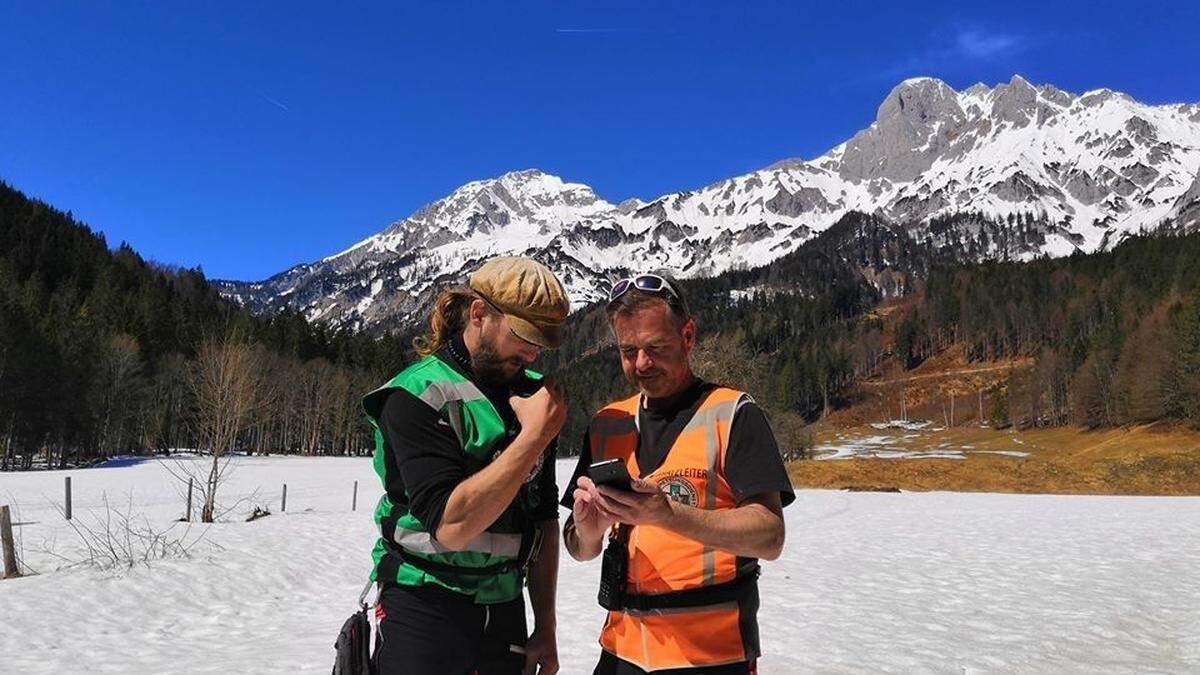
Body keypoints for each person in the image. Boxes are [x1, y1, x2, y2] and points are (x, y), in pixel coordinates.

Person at [562, 274, 795, 674]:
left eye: (656, 348)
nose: (641, 364)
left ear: (687, 336)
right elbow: (577, 547)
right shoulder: (607, 423)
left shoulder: (733, 413)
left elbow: (770, 536)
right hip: (622, 650)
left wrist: (668, 514)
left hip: (711, 653)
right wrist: (588, 530)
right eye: (628, 350)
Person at [363, 256, 569, 675]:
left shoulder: (533, 399)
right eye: (523, 335)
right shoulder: (416, 394)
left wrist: (545, 625)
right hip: (423, 603)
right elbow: (453, 527)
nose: (532, 352)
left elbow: (544, 517)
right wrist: (533, 438)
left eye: (541, 342)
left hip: (504, 605)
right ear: (479, 314)